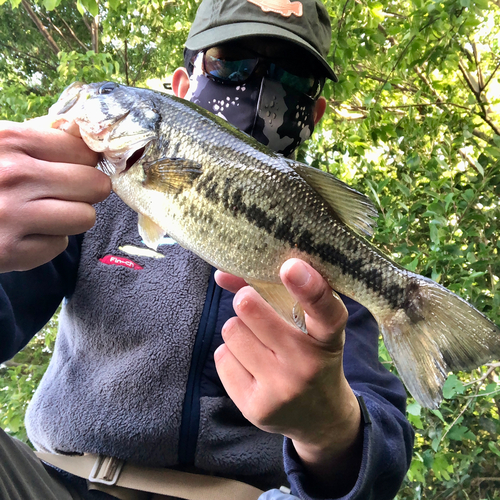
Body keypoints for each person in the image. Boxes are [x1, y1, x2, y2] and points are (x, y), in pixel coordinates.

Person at [0, 0, 414, 498]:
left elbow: (384, 449)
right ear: (180, 86)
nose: (259, 87)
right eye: (230, 64)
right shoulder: (86, 201)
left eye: (295, 79)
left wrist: (332, 432)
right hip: (60, 483)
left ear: (315, 111)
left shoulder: (322, 269)